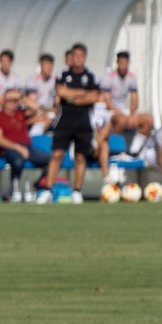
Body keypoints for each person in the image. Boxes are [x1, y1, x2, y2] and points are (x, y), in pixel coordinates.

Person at [38, 43, 105, 204]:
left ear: (84, 58)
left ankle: (77, 191)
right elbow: (61, 92)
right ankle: (48, 190)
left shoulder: (90, 76)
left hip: (83, 123)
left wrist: (72, 97)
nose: (78, 59)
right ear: (71, 57)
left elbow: (95, 96)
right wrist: (83, 93)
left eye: (81, 56)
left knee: (80, 157)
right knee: (57, 155)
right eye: (75, 56)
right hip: (64, 122)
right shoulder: (63, 73)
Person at [0, 88, 42, 202]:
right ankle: (15, 188)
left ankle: (37, 186)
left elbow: (36, 108)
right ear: (4, 101)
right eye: (9, 100)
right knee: (18, 161)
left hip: (26, 147)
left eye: (14, 100)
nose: (12, 103)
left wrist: (22, 97)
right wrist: (18, 148)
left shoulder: (21, 114)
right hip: (10, 148)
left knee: (51, 161)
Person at [98, 50, 140, 153]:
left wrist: (131, 114)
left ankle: (134, 150)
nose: (123, 65)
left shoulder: (131, 77)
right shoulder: (109, 77)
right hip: (110, 111)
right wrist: (124, 115)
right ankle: (114, 149)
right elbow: (107, 102)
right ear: (117, 62)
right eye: (121, 62)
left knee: (147, 120)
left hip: (123, 111)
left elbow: (134, 99)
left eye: (126, 63)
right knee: (121, 120)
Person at [24, 52, 57, 135]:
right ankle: (32, 139)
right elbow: (33, 104)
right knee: (42, 119)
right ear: (41, 65)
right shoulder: (33, 80)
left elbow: (57, 102)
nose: (49, 67)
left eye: (51, 65)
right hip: (34, 111)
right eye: (46, 64)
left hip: (47, 111)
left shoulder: (55, 81)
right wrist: (44, 111)